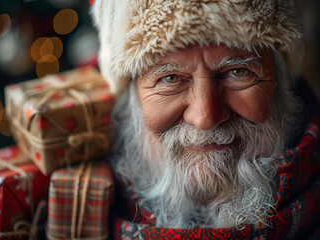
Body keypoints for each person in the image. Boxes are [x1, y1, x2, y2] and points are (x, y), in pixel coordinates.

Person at [91, 0, 320, 239]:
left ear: (280, 87)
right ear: (133, 101)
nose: (206, 117)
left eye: (238, 72)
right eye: (170, 78)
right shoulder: (72, 209)